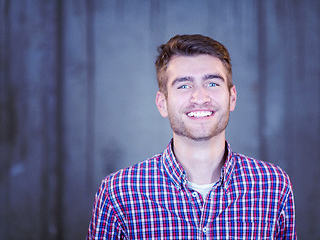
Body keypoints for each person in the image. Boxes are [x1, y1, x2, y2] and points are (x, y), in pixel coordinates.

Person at [87, 34, 296, 239]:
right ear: (162, 104)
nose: (200, 97)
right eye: (184, 85)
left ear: (232, 97)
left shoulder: (273, 186)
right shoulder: (118, 194)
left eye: (212, 83)